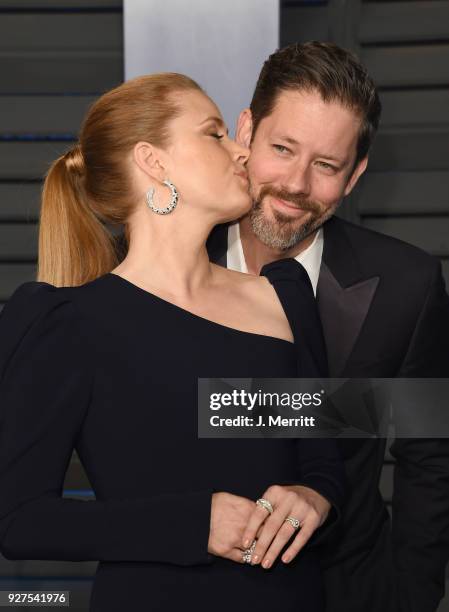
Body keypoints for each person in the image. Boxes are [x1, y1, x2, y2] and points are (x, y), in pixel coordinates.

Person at [0, 73, 345, 612]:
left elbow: (322, 458)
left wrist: (314, 496)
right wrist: (193, 523)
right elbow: (19, 520)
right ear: (152, 161)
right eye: (214, 133)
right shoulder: (64, 322)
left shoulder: (285, 294)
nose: (240, 151)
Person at [204, 42, 449, 612]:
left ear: (356, 173)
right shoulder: (159, 266)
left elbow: (431, 455)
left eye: (326, 165)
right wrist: (358, 407)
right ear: (246, 130)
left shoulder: (407, 285)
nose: (295, 184)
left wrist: (409, 597)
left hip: (349, 590)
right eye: (282, 148)